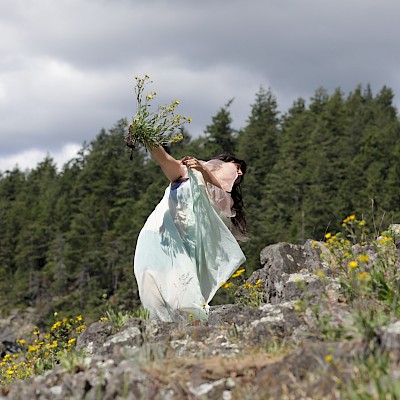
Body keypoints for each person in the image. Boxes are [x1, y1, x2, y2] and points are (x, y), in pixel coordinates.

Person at [133, 145, 247, 322]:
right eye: (237, 167)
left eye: (241, 175)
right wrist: (148, 140)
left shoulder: (224, 199)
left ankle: (188, 332)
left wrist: (203, 170)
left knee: (182, 295)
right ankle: (158, 331)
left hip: (184, 247)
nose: (239, 173)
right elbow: (163, 159)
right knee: (150, 289)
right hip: (157, 235)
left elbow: (220, 196)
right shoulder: (185, 172)